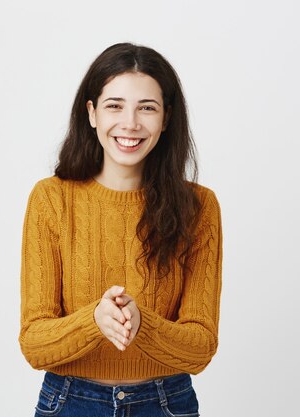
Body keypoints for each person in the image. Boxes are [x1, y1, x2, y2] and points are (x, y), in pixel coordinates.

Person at [19, 42, 223, 417]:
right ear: (92, 113)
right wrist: (92, 321)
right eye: (114, 105)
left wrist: (142, 324)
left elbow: (200, 348)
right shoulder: (51, 199)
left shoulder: (200, 207)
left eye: (147, 107)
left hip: (166, 403)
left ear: (166, 118)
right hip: (69, 402)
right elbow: (34, 344)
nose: (130, 123)